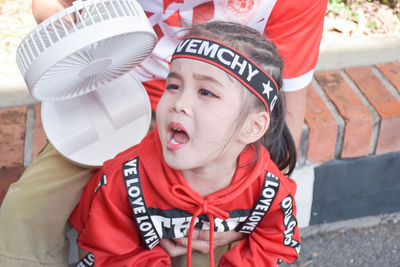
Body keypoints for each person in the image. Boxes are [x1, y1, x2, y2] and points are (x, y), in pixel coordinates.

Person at [0, 0, 327, 266]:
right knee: (22, 217)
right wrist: (67, 29)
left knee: (202, 250)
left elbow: (285, 106)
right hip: (110, 99)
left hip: (217, 123)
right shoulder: (119, 178)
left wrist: (245, 217)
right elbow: (52, 4)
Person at [69, 21, 300, 267]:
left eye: (206, 92)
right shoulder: (121, 181)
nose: (179, 102)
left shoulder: (269, 190)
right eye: (174, 86)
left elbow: (275, 245)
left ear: (252, 127)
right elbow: (111, 255)